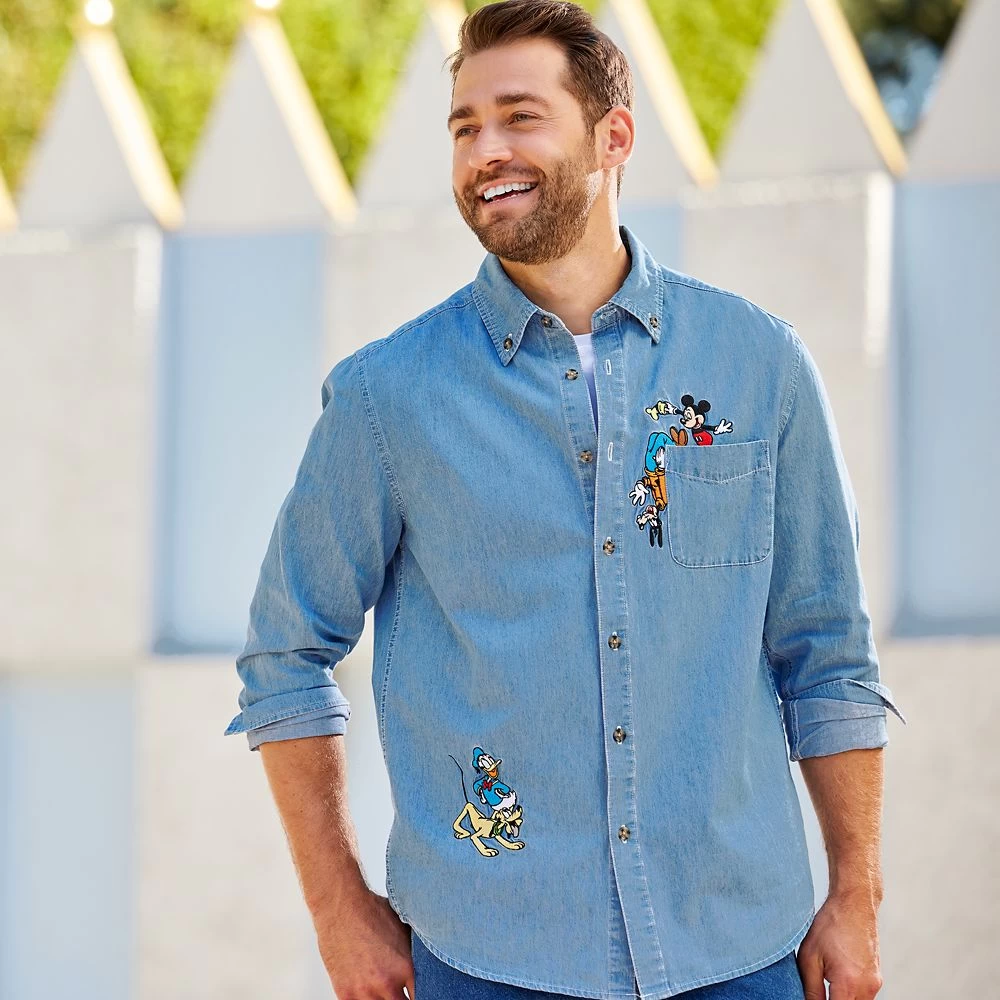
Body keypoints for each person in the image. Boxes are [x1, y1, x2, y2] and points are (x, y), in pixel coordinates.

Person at [223, 1, 907, 998]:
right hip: (489, 957)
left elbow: (828, 653)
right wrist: (337, 909)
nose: (485, 151)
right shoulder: (387, 397)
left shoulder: (758, 365)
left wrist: (857, 891)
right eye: (464, 127)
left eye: (519, 117)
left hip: (738, 949)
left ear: (613, 136)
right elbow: (286, 653)